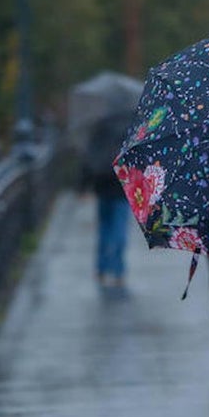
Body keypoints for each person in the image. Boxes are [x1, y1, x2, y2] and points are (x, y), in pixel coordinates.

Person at [80, 111, 134, 293]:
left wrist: (83, 186)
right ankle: (118, 271)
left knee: (104, 228)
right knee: (119, 230)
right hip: (122, 187)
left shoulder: (101, 126)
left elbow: (89, 156)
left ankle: (102, 269)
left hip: (102, 185)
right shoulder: (130, 127)